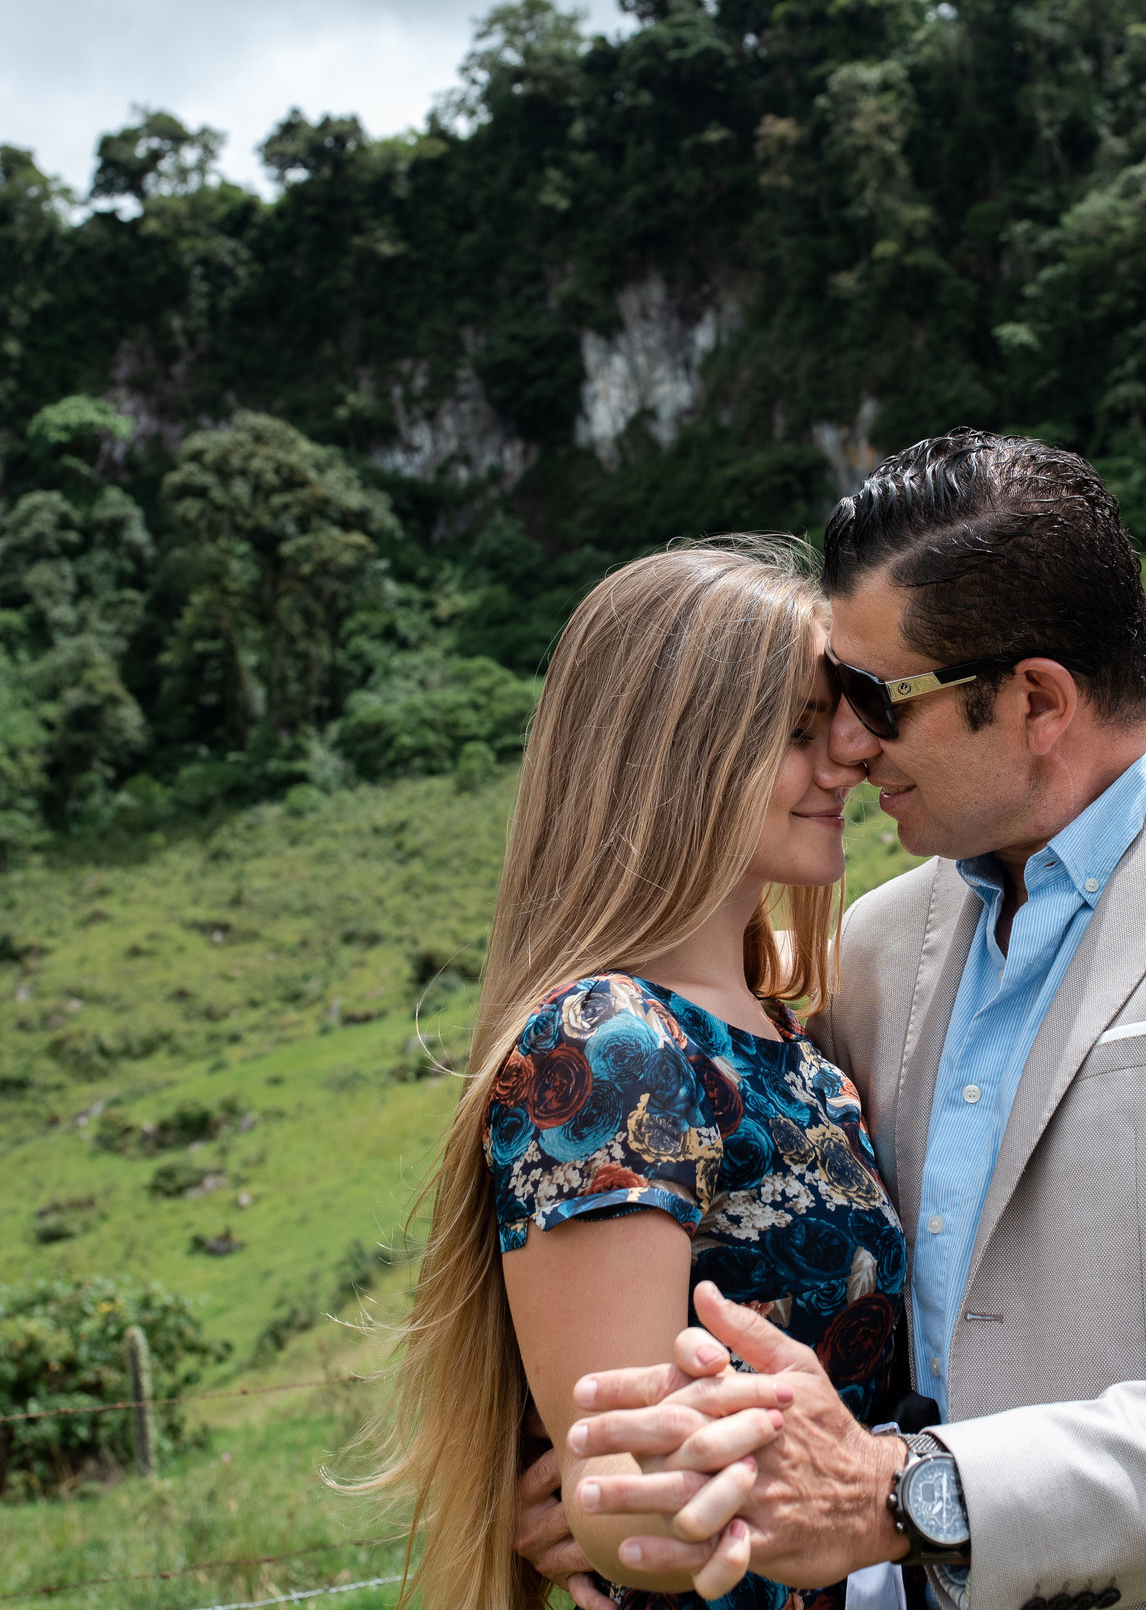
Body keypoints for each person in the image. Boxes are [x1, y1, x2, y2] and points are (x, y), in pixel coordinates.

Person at [542, 432, 1146, 1610]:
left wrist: (904, 1492)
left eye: (878, 696)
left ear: (1033, 699)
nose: (850, 741)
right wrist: (627, 1493)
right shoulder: (870, 943)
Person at [360, 540, 909, 1610]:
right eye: (799, 728)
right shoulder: (610, 1044)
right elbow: (624, 1493)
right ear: (681, 754)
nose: (847, 754)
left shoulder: (785, 1038)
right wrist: (621, 1502)